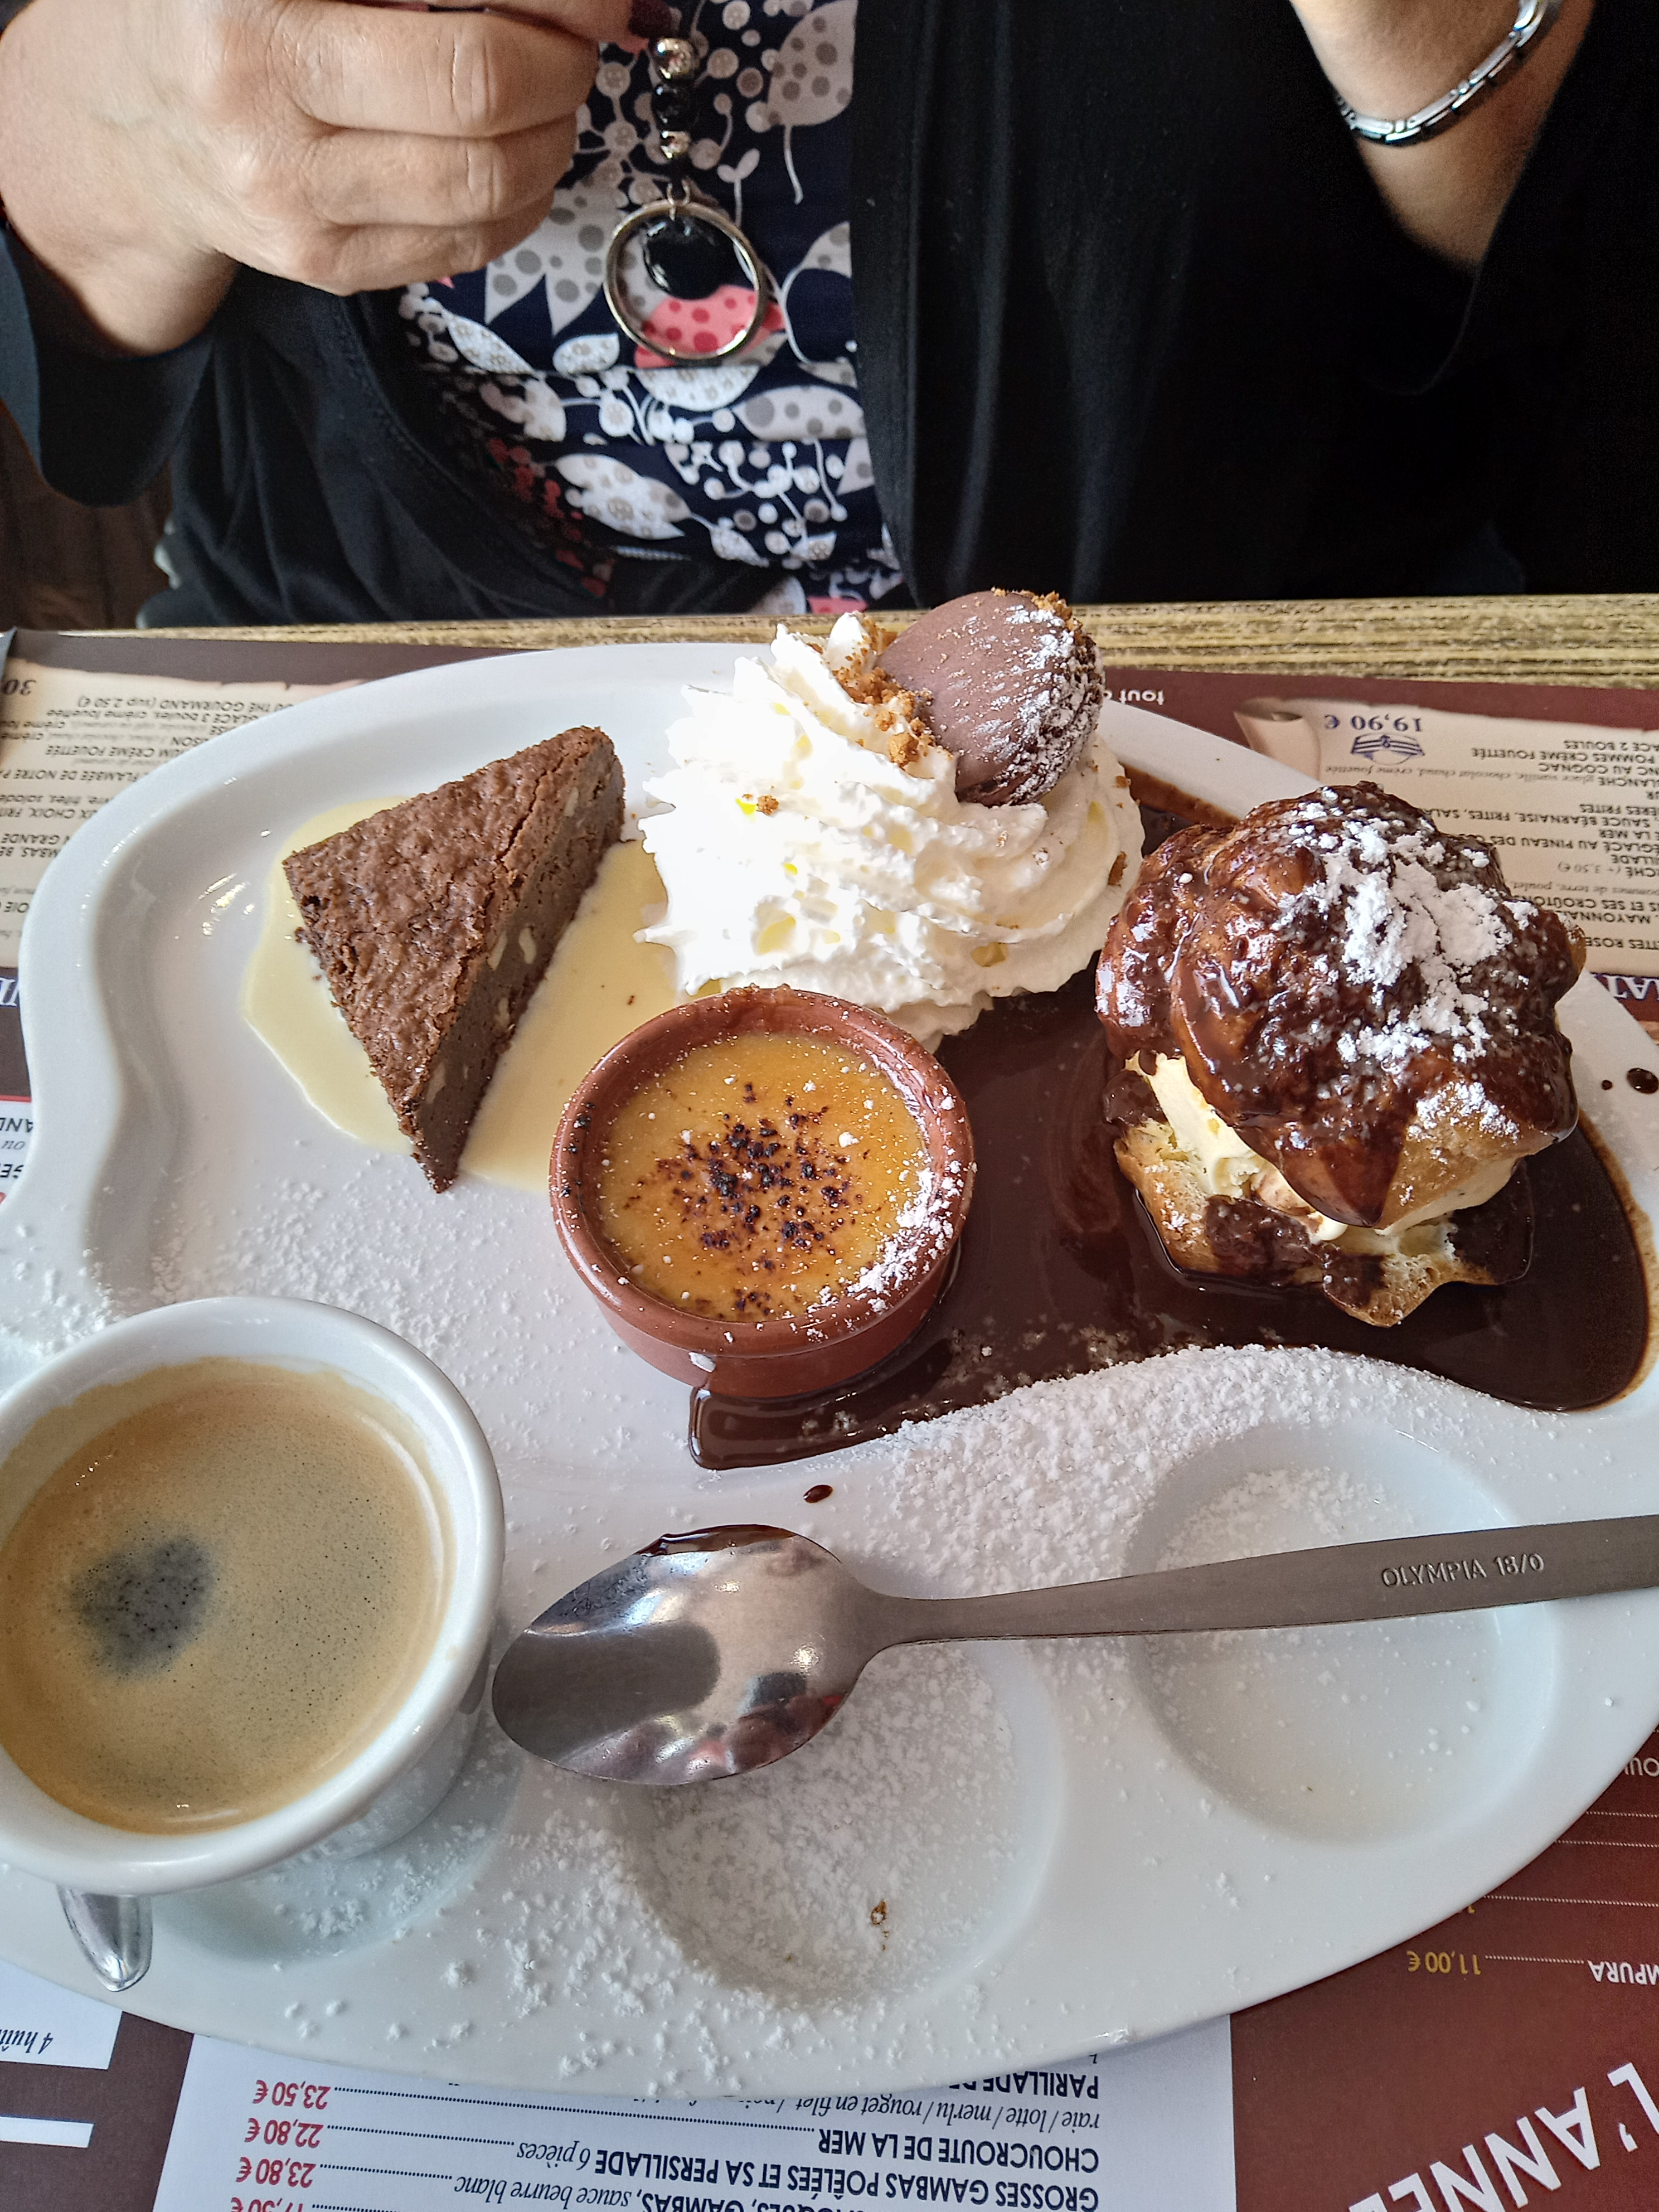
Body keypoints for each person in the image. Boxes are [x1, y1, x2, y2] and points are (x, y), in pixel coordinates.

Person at [0, 0, 1650, 625]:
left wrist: (1444, 47)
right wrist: (120, 126)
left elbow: (1587, 340)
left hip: (1228, 732)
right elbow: (59, 277)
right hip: (364, 705)